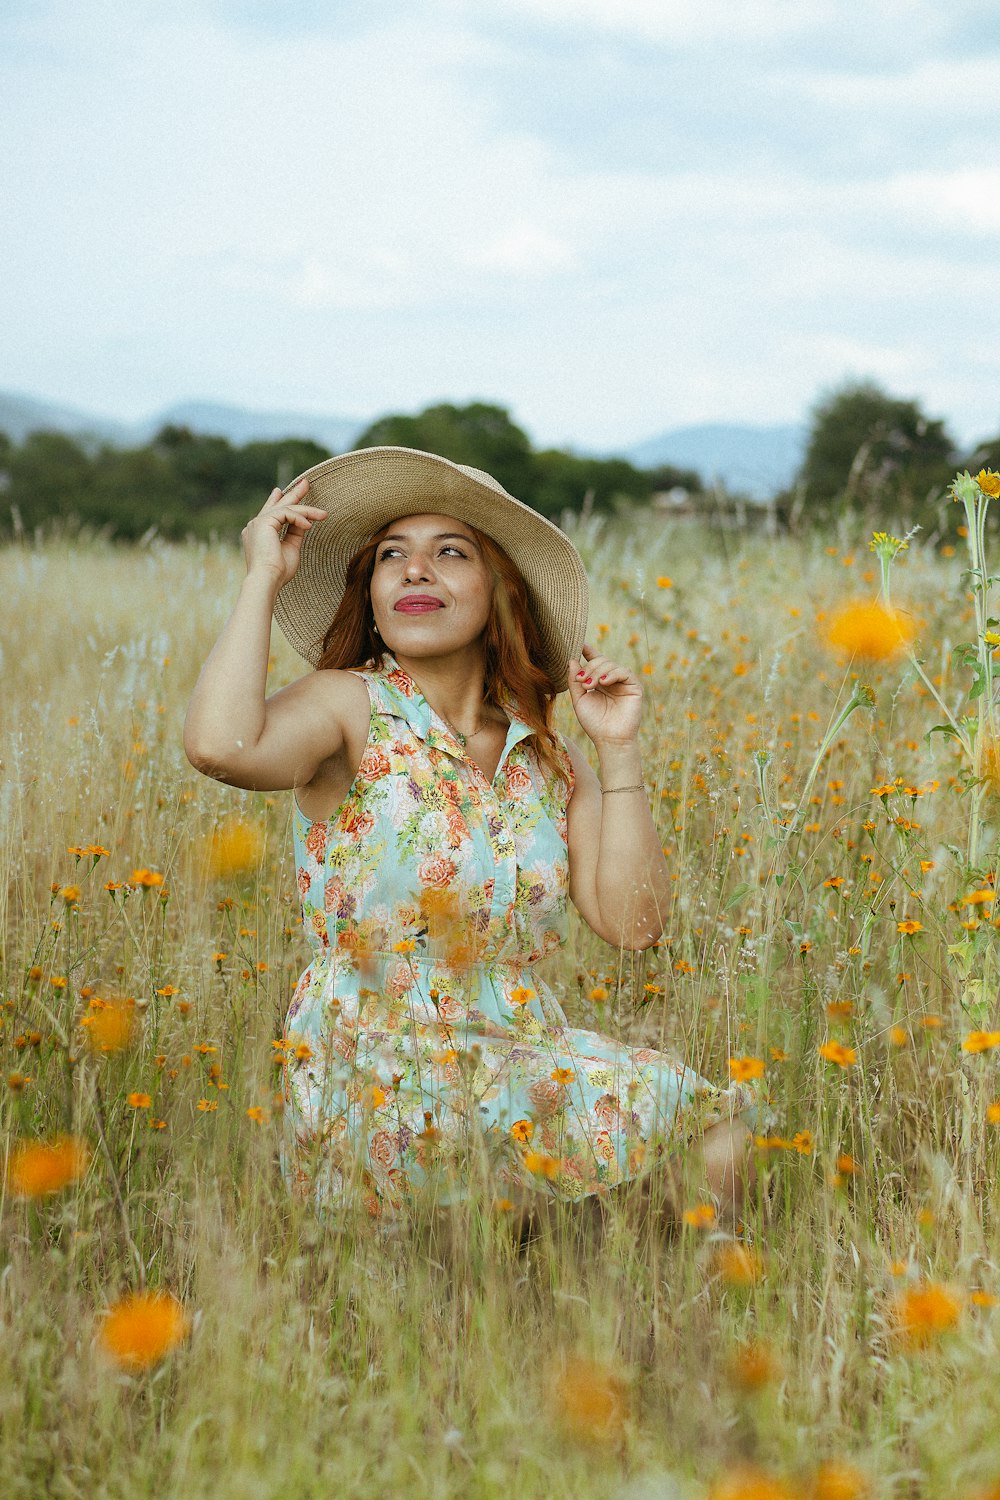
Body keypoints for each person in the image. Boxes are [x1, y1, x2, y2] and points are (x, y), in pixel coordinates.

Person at [183, 446, 758, 1234]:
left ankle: (667, 1320)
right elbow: (221, 747)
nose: (415, 571)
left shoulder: (547, 758)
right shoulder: (349, 708)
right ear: (372, 595)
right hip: (374, 1055)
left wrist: (616, 750)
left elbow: (635, 925)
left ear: (500, 594)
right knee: (486, 1216)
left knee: (717, 1133)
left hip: (518, 1053)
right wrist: (261, 579)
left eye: (449, 553)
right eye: (392, 556)